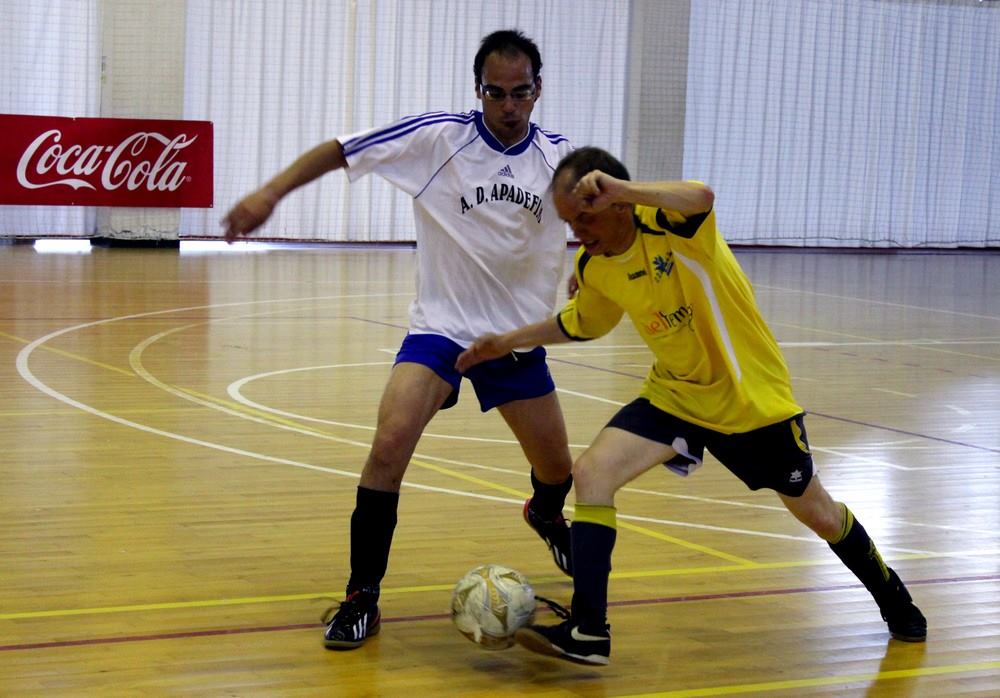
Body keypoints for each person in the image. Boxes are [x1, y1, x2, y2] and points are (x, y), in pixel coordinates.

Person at [455, 147, 927, 666]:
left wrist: (627, 190)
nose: (579, 233)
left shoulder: (669, 225)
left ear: (615, 200)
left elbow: (701, 196)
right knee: (592, 474)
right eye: (570, 223)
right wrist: (506, 341)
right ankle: (589, 629)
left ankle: (895, 600)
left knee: (818, 513)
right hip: (675, 395)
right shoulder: (595, 266)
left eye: (585, 217)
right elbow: (582, 324)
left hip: (751, 402)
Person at [222, 30, 576, 650]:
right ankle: (362, 594)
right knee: (388, 446)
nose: (510, 106)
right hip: (440, 329)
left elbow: (599, 219)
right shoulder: (438, 139)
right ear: (479, 91)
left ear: (538, 90)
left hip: (515, 339)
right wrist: (269, 193)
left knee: (557, 470)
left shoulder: (560, 159)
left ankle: (545, 513)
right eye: (497, 93)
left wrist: (589, 262)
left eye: (521, 93)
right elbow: (341, 150)